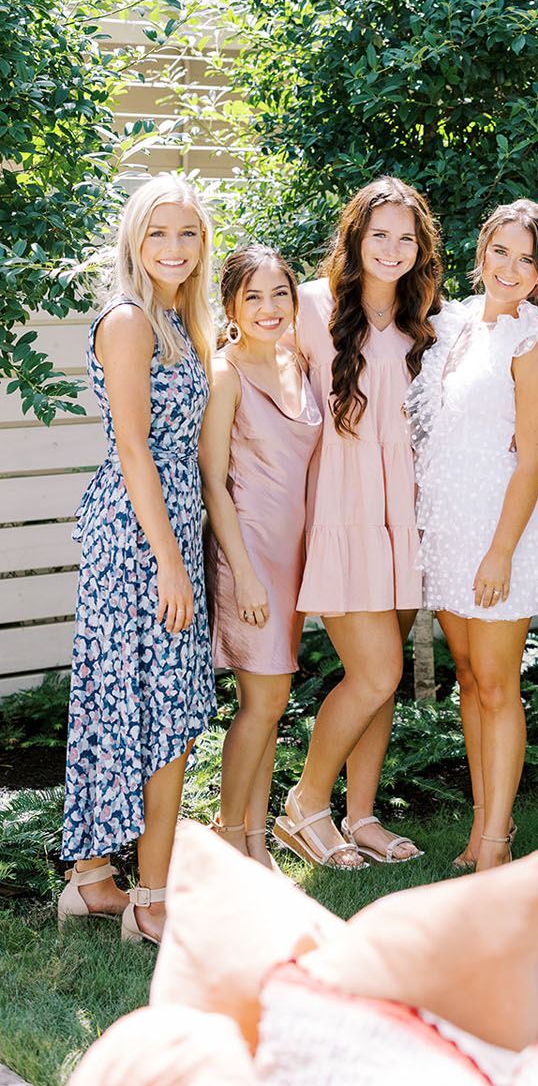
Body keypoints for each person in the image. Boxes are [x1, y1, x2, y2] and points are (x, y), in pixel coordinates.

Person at [58, 175, 217, 943]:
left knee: (132, 703)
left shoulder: (178, 321)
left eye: (188, 232)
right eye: (158, 232)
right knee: (164, 713)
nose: (174, 247)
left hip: (164, 525)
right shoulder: (129, 322)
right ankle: (149, 903)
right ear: (134, 240)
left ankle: (93, 882)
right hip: (138, 537)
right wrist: (171, 563)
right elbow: (132, 448)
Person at [274, 178, 441, 868]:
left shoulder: (425, 319)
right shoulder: (311, 307)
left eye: (406, 238)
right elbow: (255, 378)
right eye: (379, 235)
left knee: (386, 676)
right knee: (376, 671)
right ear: (355, 237)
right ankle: (306, 804)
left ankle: (362, 815)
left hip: (404, 515)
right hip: (341, 512)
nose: (392, 249)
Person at [408, 201, 538, 871]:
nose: (510, 267)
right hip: (448, 523)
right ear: (481, 253)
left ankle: (498, 842)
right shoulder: (451, 323)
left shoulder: (535, 347)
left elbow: (532, 462)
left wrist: (501, 552)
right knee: (469, 677)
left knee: (499, 683)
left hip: (501, 529)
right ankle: (480, 827)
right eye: (500, 250)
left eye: (526, 259)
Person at [200, 246, 322, 868]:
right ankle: (229, 838)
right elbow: (213, 482)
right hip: (247, 556)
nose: (269, 307)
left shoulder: (298, 359)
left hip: (294, 558)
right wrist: (243, 575)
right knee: (263, 703)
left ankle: (254, 840)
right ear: (230, 306)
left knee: (271, 704)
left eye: (280, 294)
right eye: (253, 296)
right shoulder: (225, 374)